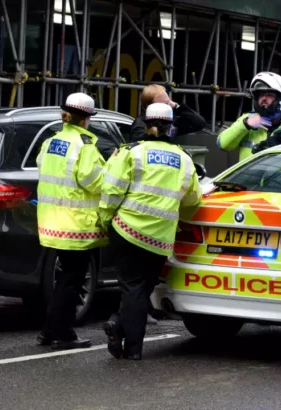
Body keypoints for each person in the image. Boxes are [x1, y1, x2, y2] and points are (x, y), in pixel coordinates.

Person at [99, 103, 202, 360]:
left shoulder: (130, 153)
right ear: (171, 127)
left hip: (127, 230)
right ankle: (122, 332)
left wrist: (104, 220)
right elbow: (193, 200)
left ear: (145, 125)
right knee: (142, 289)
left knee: (131, 288)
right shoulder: (184, 159)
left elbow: (111, 191)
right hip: (159, 239)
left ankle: (130, 344)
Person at [35, 92, 107, 350]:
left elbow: (44, 168)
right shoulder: (84, 146)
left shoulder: (51, 142)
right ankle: (61, 333)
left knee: (66, 278)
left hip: (52, 222)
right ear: (86, 119)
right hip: (76, 225)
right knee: (71, 281)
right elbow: (95, 181)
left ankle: (49, 330)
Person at [216, 71, 281, 162]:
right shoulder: (246, 119)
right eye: (261, 94)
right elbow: (222, 144)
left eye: (269, 95)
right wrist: (245, 125)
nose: (263, 98)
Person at [129, 84, 206, 142]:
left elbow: (199, 123)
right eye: (165, 104)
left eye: (169, 102)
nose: (168, 107)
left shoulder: (170, 120)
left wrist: (177, 107)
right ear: (150, 106)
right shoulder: (140, 123)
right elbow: (137, 142)